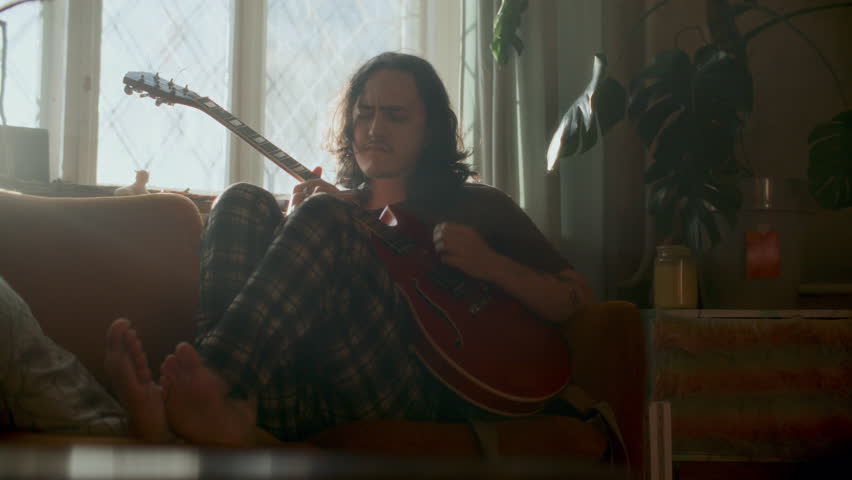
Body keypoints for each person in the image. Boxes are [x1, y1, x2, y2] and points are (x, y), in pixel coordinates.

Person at [104, 51, 596, 450]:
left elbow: (575, 296)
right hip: (297, 393)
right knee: (241, 199)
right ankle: (224, 406)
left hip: (407, 390)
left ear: (432, 130)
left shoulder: (477, 205)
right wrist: (298, 225)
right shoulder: (334, 208)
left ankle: (202, 395)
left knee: (325, 215)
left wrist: (492, 265)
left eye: (396, 116)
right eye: (364, 113)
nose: (374, 128)